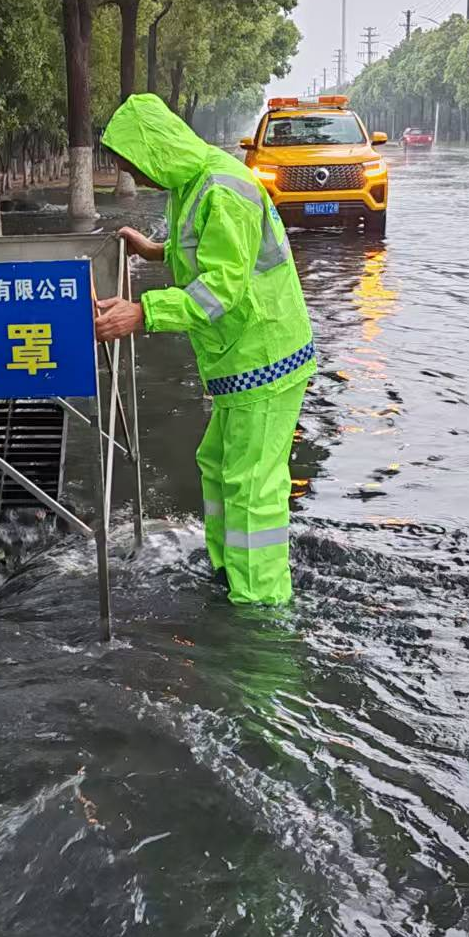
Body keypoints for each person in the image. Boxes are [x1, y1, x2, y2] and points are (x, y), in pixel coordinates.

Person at [94, 93, 315, 606]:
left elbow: (221, 288)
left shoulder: (221, 187)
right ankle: (227, 570)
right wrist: (157, 251)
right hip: (239, 357)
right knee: (216, 462)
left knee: (252, 483)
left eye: (135, 165)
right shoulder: (191, 183)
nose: (136, 176)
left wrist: (143, 312)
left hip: (266, 353)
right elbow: (206, 251)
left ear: (155, 150)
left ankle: (260, 605)